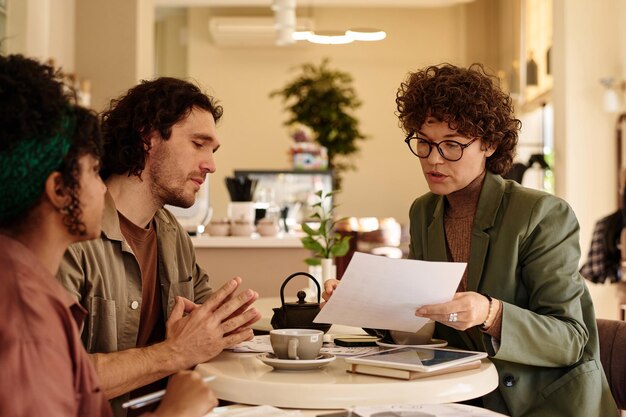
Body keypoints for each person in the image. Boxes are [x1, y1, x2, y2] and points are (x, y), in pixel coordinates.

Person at [324, 63, 618, 416]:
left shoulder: (541, 214)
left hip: (548, 405)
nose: (433, 159)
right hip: (467, 399)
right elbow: (428, 321)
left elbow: (570, 340)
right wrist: (366, 302)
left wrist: (490, 313)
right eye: (424, 143)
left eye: (451, 145)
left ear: (490, 144)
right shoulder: (424, 212)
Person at [0, 54, 217, 417]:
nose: (104, 189)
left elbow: (73, 384)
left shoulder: (33, 291)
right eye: (94, 171)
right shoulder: (26, 310)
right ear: (58, 189)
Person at [57, 77, 261, 416]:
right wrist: (177, 351)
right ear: (149, 137)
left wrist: (226, 326)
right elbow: (55, 377)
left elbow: (206, 326)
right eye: (199, 144)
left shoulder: (172, 234)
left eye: (213, 151)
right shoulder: (71, 237)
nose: (211, 164)